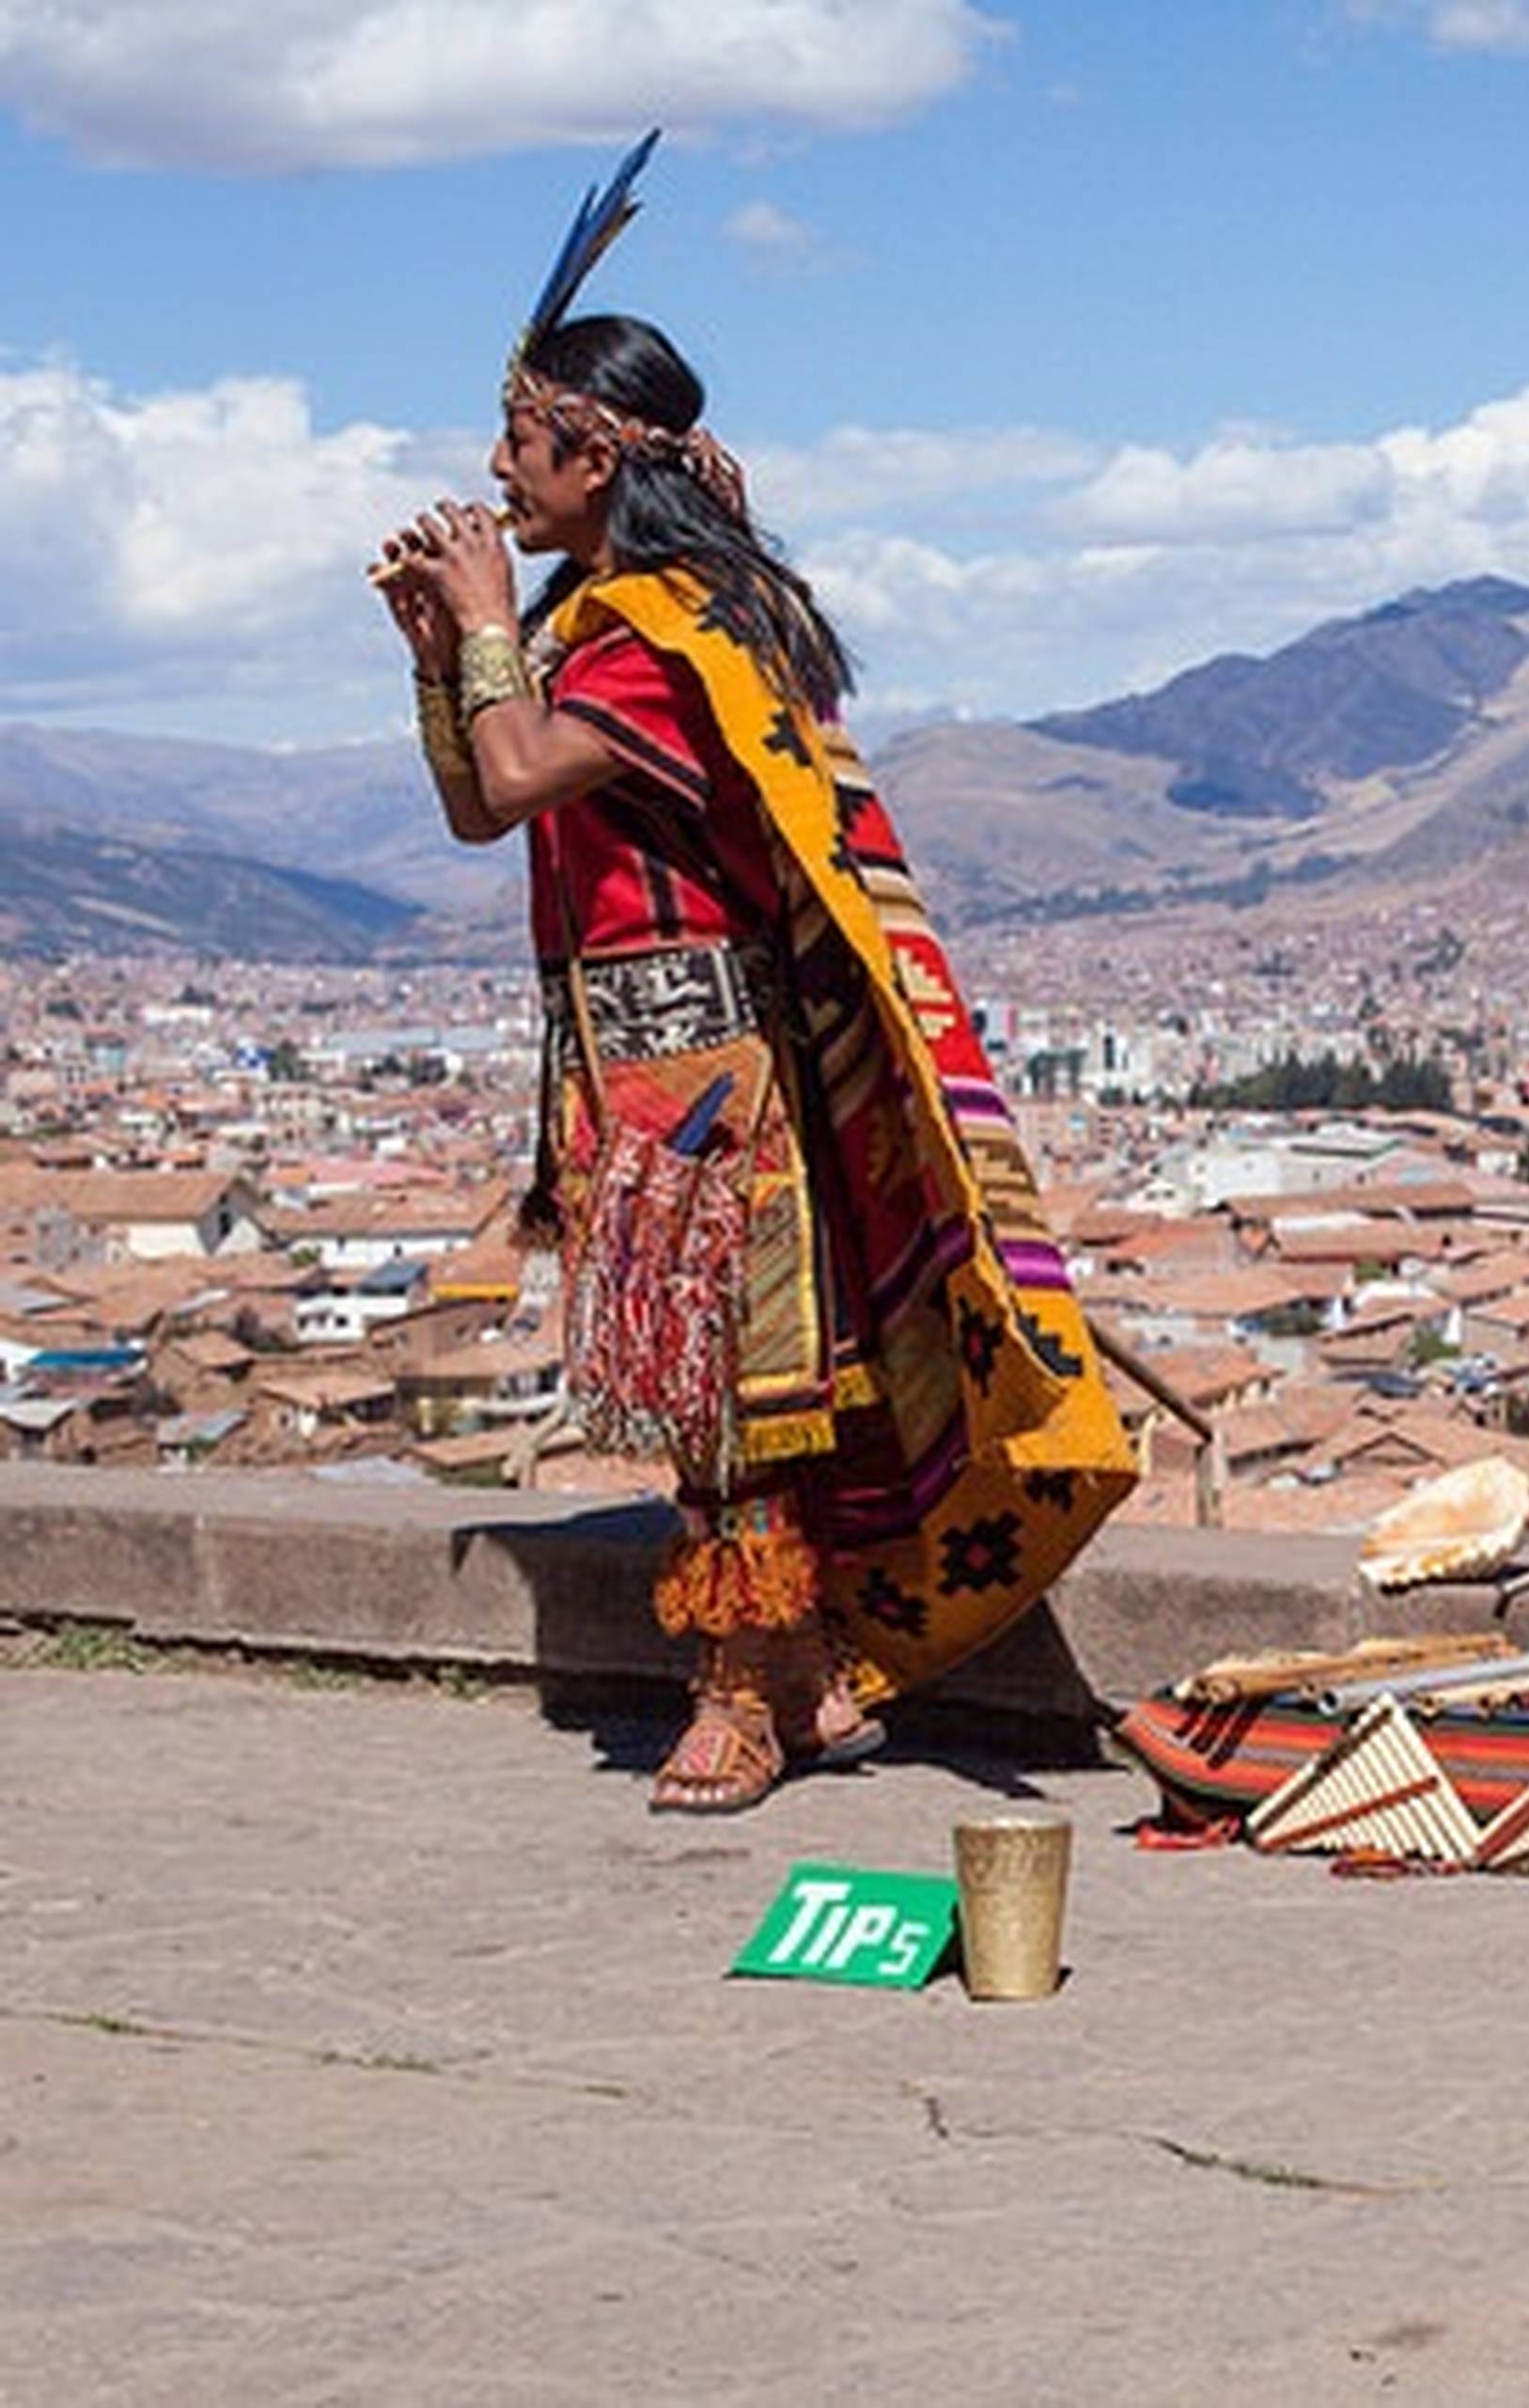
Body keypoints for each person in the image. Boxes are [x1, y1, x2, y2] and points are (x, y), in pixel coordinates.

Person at [373, 138, 1133, 1812]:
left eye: (521, 444)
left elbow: (504, 780)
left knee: (737, 1392)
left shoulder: (668, 630)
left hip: (711, 1067)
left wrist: (487, 620)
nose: (497, 477)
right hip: (629, 1064)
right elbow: (476, 807)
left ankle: (737, 1683)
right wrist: (448, 653)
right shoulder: (608, 629)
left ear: (597, 453)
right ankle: (787, 1670)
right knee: (712, 1386)